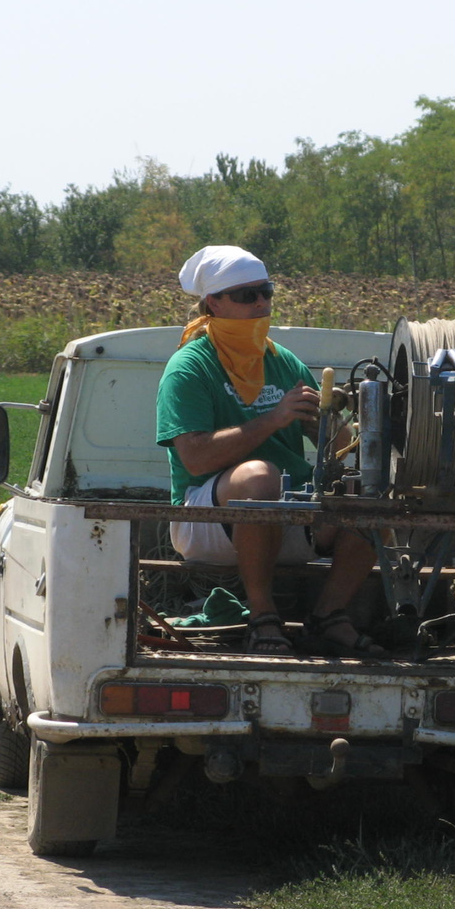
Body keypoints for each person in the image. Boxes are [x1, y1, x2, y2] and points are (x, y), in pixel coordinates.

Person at [155, 245, 384, 657]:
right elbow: (195, 458)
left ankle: (329, 616)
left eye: (266, 290)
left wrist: (328, 431)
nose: (261, 302)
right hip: (207, 520)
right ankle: (263, 616)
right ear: (213, 303)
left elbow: (340, 452)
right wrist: (272, 420)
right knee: (259, 475)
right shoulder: (190, 366)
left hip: (287, 510)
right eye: (247, 295)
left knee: (373, 491)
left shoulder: (282, 360)